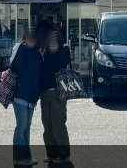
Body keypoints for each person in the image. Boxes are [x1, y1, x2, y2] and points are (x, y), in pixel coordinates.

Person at [10, 30, 42, 166]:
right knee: (21, 126)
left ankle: (26, 158)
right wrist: (21, 47)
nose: (32, 41)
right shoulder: (21, 50)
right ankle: (19, 158)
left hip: (31, 98)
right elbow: (14, 66)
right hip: (20, 95)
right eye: (29, 39)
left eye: (34, 39)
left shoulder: (37, 54)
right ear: (24, 39)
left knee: (27, 127)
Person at [40, 31, 71, 167]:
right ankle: (52, 155)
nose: (53, 44)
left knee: (58, 125)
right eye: (50, 41)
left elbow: (65, 60)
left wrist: (63, 47)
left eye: (55, 41)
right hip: (44, 93)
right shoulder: (44, 54)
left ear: (59, 43)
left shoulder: (63, 52)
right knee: (47, 126)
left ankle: (63, 155)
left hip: (58, 93)